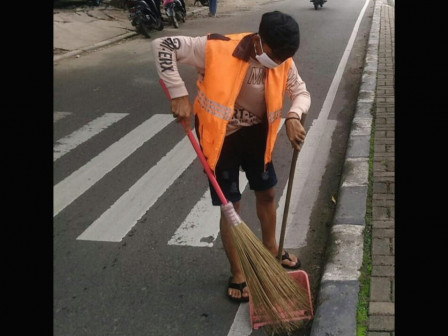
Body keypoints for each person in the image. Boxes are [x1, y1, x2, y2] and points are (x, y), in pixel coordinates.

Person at [151, 11, 310, 303]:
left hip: (257, 136)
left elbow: (300, 92)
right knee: (231, 205)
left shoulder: (283, 59)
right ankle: (238, 273)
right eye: (275, 55)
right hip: (220, 137)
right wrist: (177, 93)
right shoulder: (215, 47)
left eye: (285, 58)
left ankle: (272, 250)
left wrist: (293, 115)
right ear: (260, 42)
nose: (279, 63)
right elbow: (163, 45)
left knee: (267, 192)